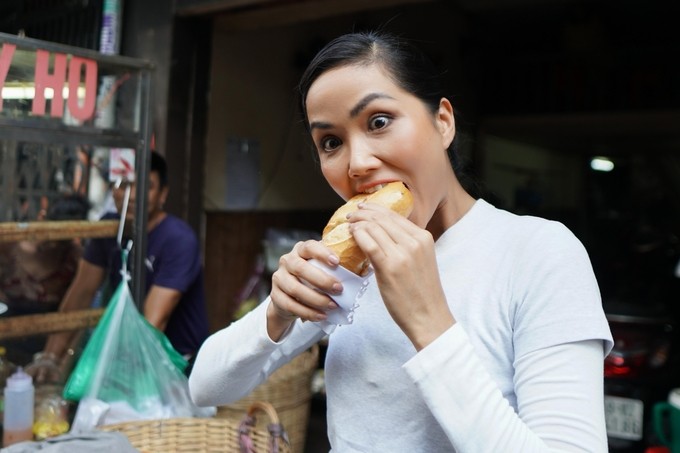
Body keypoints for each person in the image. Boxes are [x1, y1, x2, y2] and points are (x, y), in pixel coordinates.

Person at [189, 31, 613, 452]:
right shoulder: (349, 263)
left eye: (378, 121)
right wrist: (277, 315)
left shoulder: (538, 252)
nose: (357, 163)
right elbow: (205, 387)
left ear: (443, 122)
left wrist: (429, 321)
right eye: (331, 142)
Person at [32, 151, 209, 380]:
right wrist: (50, 358)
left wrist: (113, 376)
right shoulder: (107, 229)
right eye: (122, 184)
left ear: (163, 194)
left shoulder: (178, 239)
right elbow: (80, 294)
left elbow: (153, 322)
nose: (132, 195)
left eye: (145, 186)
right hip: (129, 356)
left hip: (178, 365)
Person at [0, 194, 90, 365]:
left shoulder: (74, 257)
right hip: (7, 332)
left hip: (49, 340)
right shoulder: (7, 247)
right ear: (43, 218)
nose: (56, 244)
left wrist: (60, 359)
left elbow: (78, 305)